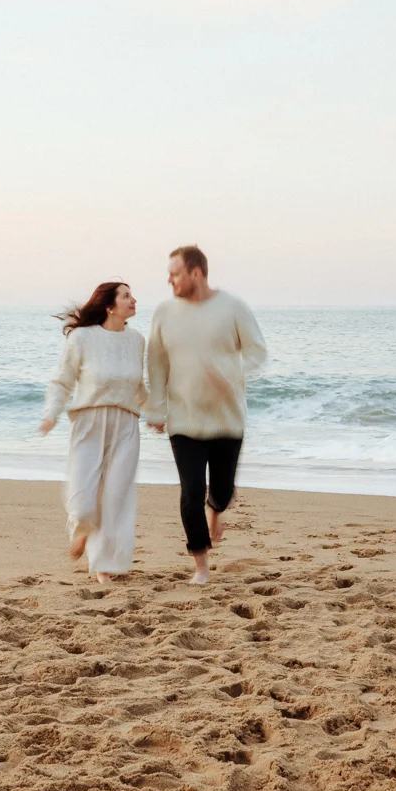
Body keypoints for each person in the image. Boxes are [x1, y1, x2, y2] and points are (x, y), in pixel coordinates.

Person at [144, 246, 266, 586]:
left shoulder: (233, 307)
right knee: (190, 493)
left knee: (222, 491)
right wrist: (155, 408)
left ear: (196, 273)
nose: (169, 279)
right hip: (184, 421)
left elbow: (258, 352)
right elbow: (156, 363)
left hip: (228, 420)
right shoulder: (164, 313)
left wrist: (233, 377)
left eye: (175, 273)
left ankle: (217, 508)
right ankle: (201, 566)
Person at [39, 281, 146, 583]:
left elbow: (137, 387)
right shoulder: (82, 338)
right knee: (84, 499)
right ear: (110, 306)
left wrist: (159, 414)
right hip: (89, 423)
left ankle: (104, 565)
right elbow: (62, 381)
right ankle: (82, 529)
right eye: (127, 296)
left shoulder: (137, 340)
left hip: (126, 425)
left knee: (116, 499)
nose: (134, 299)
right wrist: (51, 414)